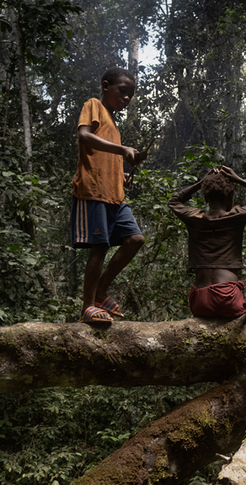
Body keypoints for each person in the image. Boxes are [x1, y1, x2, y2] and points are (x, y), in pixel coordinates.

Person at [71, 66, 147, 325]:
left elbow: (106, 157)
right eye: (123, 91)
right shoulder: (94, 105)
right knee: (100, 246)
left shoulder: (113, 124)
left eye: (130, 95)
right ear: (106, 86)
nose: (126, 98)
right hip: (93, 190)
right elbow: (84, 136)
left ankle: (100, 292)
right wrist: (123, 149)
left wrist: (121, 174)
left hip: (115, 193)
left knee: (135, 239)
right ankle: (88, 307)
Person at [167, 166, 246, 318]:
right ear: (230, 196)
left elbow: (173, 201)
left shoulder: (193, 217)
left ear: (206, 198)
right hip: (227, 297)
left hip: (199, 300)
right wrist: (239, 180)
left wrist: (201, 183)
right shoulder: (236, 216)